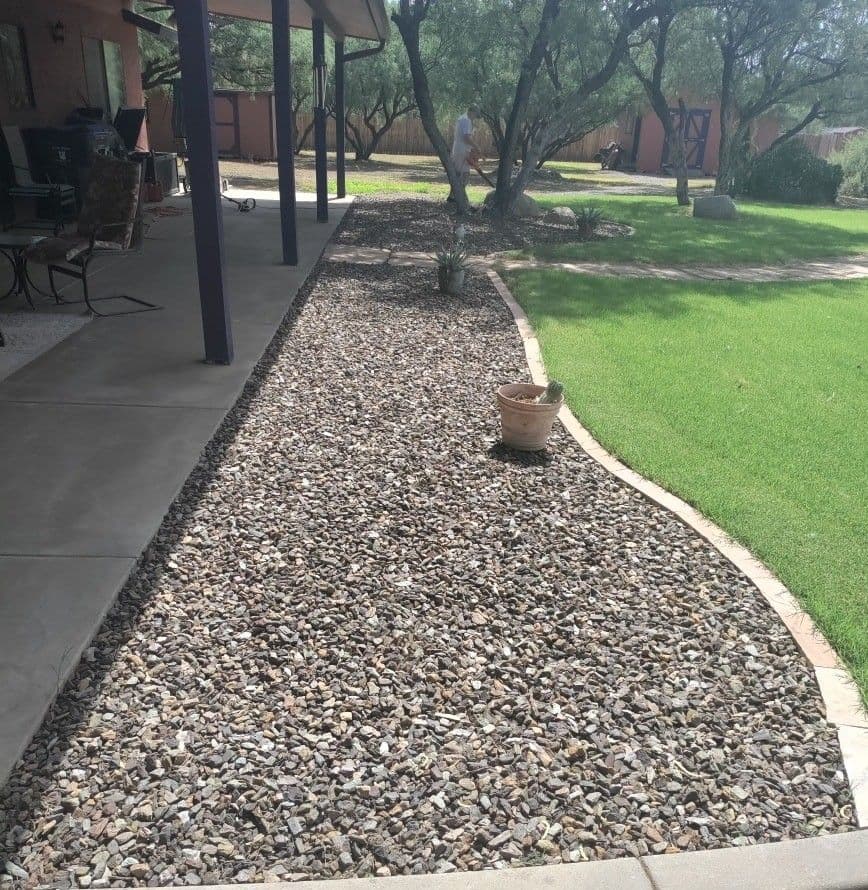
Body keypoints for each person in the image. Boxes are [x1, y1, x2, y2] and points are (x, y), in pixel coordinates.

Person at [448, 105, 481, 202]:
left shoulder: (462, 118)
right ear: (472, 112)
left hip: (460, 149)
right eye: (475, 115)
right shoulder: (466, 120)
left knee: (459, 173)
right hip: (462, 151)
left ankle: (452, 196)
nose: (475, 118)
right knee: (463, 174)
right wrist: (477, 147)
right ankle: (459, 197)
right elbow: (466, 138)